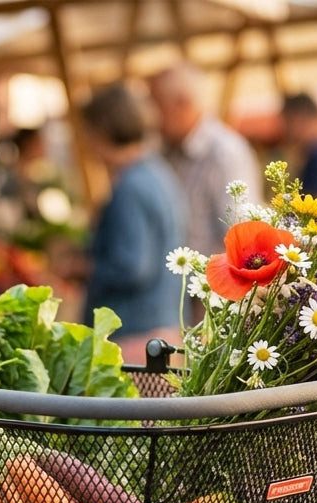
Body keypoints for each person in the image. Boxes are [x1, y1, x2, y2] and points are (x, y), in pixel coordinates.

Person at [80, 82, 187, 362]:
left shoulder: (131, 186)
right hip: (161, 329)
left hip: (134, 336)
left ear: (103, 130)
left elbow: (131, 266)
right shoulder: (157, 172)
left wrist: (84, 267)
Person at [148, 63, 262, 258]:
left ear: (182, 104)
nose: (151, 117)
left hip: (209, 282)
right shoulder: (166, 150)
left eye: (156, 105)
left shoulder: (224, 152)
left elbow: (240, 234)